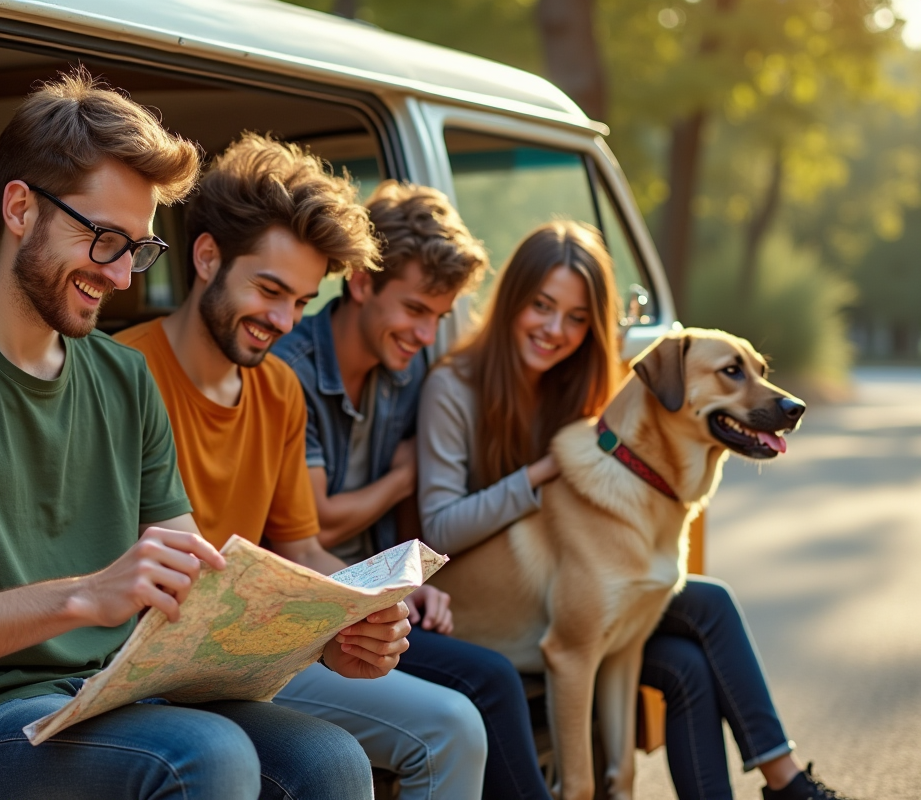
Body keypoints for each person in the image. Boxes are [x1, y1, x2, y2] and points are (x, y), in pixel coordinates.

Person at [0, 72, 378, 800]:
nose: (122, 275)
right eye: (104, 240)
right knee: (206, 755)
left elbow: (197, 599)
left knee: (329, 761)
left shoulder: (124, 380)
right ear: (20, 208)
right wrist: (85, 596)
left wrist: (325, 637)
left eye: (140, 249)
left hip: (115, 698)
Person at [416, 219, 857, 800]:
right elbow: (442, 527)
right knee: (709, 608)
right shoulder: (457, 387)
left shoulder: (578, 381)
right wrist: (542, 472)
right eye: (542, 307)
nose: (556, 330)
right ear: (512, 301)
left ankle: (778, 781)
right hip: (468, 615)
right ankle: (788, 784)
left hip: (571, 588)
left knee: (692, 654)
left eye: (576, 318)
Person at [117, 134, 489, 800]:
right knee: (326, 762)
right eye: (269, 290)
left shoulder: (280, 391)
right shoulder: (122, 375)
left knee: (455, 725)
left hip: (240, 659)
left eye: (301, 301)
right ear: (207, 258)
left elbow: (302, 549)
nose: (284, 320)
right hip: (144, 667)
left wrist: (363, 608)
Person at [272, 180, 553, 800]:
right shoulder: (289, 366)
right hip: (309, 613)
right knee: (489, 683)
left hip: (371, 600)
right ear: (363, 282)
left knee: (493, 673)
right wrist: (404, 473)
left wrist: (413, 585)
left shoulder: (405, 369)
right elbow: (314, 525)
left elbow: (397, 522)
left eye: (439, 317)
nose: (426, 335)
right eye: (415, 310)